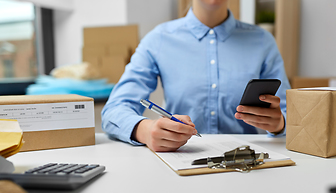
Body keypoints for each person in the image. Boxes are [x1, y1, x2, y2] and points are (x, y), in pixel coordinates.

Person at [101, 0, 291, 152]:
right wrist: (145, 130)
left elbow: (294, 117)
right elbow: (113, 112)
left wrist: (280, 124)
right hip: (181, 164)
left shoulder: (262, 41)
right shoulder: (158, 39)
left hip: (244, 161)